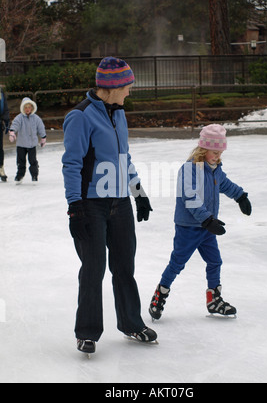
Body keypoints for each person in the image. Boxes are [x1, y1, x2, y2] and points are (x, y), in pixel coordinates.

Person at [62, 57, 157, 356]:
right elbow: (71, 165)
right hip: (91, 205)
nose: (129, 91)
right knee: (93, 269)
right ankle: (87, 332)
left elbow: (123, 158)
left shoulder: (119, 114)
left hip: (120, 204)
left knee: (124, 267)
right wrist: (74, 206)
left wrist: (138, 192)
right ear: (113, 87)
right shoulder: (81, 116)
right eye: (127, 86)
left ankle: (131, 323)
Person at [149, 124, 252, 320]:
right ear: (203, 149)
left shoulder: (215, 169)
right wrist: (206, 219)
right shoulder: (190, 169)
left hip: (207, 227)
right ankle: (160, 294)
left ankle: (214, 299)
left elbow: (226, 184)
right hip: (189, 227)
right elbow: (190, 198)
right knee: (177, 263)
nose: (218, 156)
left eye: (221, 152)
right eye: (214, 152)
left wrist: (240, 196)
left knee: (215, 261)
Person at [9, 97, 46, 183]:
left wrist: (43, 138)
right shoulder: (19, 118)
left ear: (32, 108)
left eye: (29, 107)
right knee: (20, 161)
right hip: (21, 144)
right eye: (25, 107)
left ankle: (34, 175)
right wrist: (12, 132)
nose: (27, 109)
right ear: (22, 108)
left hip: (32, 144)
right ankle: (20, 175)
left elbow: (41, 128)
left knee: (33, 161)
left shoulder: (36, 118)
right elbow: (15, 125)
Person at [0, 87, 10, 182]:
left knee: (0, 148)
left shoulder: (0, 91)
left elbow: (5, 107)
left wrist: (7, 121)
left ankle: (0, 167)